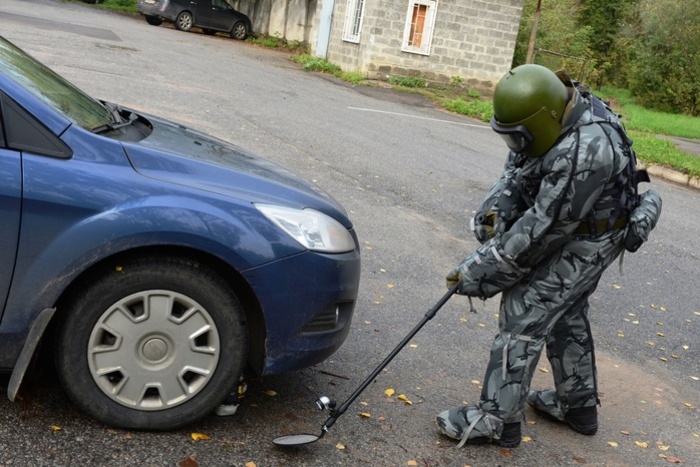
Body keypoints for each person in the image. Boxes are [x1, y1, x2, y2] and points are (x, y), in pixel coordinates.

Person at [436, 64, 661, 448]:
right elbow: (520, 170)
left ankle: (497, 419)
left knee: (525, 309)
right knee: (565, 312)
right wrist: (495, 214)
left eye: (519, 137)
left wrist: (478, 271)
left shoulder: (586, 151)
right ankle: (578, 406)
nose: (514, 145)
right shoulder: (557, 114)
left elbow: (541, 231)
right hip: (583, 226)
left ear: (540, 121)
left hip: (590, 237)